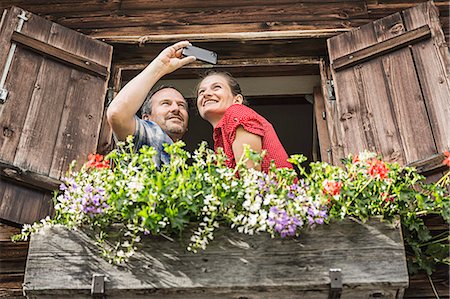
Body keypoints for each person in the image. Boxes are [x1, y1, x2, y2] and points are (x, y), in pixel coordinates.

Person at [107, 41, 196, 168]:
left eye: (181, 105)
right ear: (146, 118)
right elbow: (117, 113)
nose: (176, 108)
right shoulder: (147, 135)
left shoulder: (182, 165)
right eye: (166, 103)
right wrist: (159, 67)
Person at [196, 71, 293, 172]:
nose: (206, 94)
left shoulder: (237, 113)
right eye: (201, 92)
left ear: (237, 100)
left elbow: (250, 178)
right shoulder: (221, 135)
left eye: (217, 87)